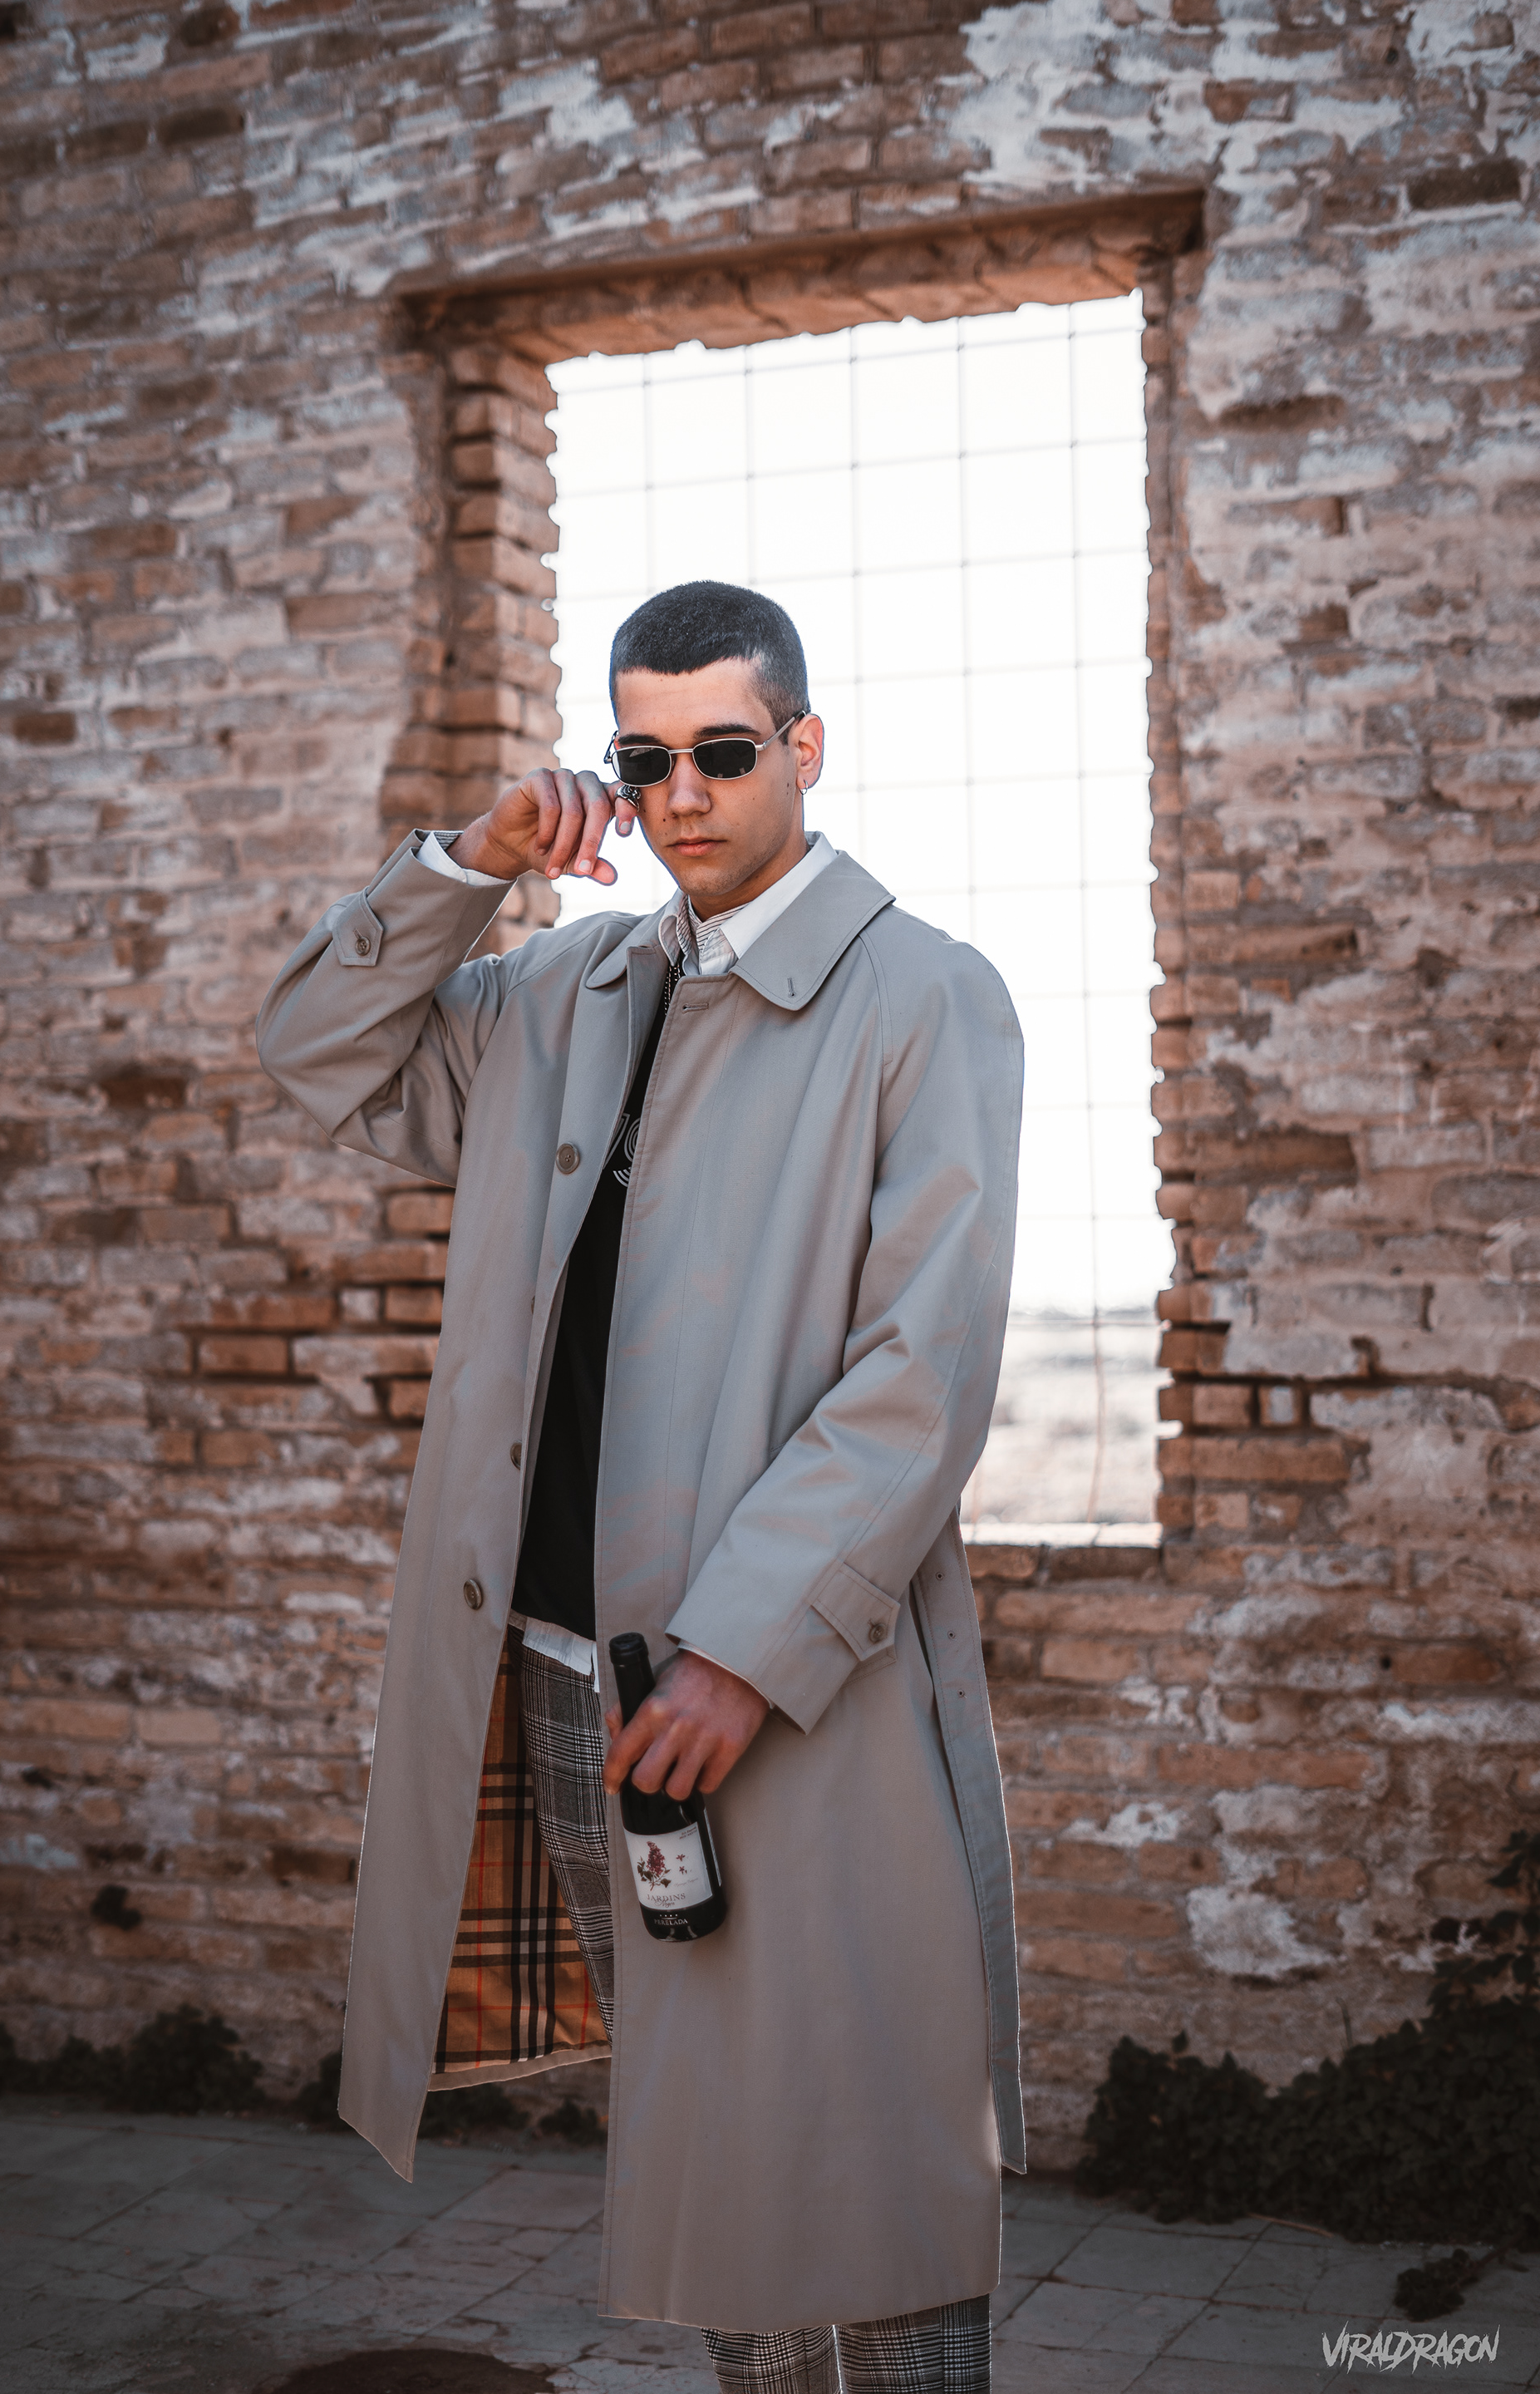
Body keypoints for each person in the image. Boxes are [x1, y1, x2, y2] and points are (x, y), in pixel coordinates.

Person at [257, 580, 1026, 2394]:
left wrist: (745, 1652)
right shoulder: (562, 988)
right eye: (643, 756)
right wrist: (467, 864)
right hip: (558, 1659)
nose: (683, 792)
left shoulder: (925, 997)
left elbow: (921, 1373)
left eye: (726, 751)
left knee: (857, 2137)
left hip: (769, 1675)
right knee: (722, 2136)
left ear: (804, 747)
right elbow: (317, 1050)